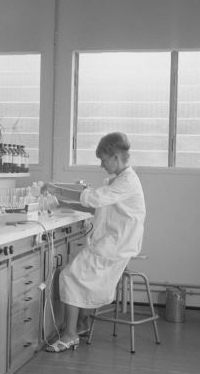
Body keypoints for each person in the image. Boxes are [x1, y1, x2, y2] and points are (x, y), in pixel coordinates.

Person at [44, 131, 146, 352]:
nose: (101, 165)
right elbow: (94, 204)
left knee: (70, 276)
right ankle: (80, 324)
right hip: (112, 243)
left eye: (103, 159)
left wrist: (57, 189)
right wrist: (60, 201)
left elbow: (94, 198)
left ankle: (70, 334)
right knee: (81, 275)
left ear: (116, 157)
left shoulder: (126, 181)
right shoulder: (119, 180)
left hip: (116, 245)